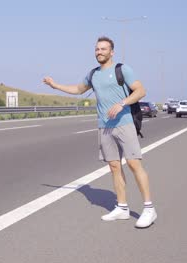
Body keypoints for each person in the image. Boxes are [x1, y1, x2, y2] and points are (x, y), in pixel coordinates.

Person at [43, 36, 157, 228]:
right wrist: (56, 86)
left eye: (103, 49)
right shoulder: (93, 74)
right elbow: (79, 89)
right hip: (105, 126)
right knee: (113, 166)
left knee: (133, 163)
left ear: (111, 52)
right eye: (97, 49)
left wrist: (122, 104)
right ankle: (122, 208)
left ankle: (149, 208)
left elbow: (140, 91)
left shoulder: (122, 69)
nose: (99, 52)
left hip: (125, 123)